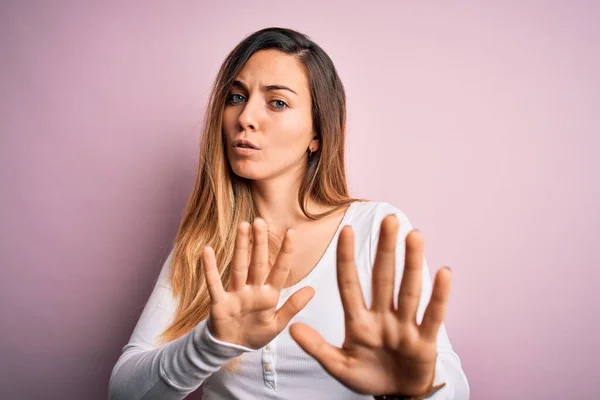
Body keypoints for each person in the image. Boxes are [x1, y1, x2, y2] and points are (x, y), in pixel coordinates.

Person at [108, 27, 470, 400]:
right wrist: (210, 344)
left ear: (318, 133)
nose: (245, 117)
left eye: (277, 102)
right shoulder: (205, 244)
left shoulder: (373, 228)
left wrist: (418, 389)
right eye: (236, 97)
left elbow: (454, 388)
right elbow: (123, 393)